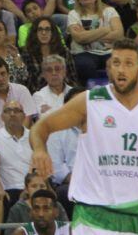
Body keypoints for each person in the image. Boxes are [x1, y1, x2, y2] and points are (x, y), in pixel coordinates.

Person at [31, 38, 138, 235]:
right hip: (94, 217)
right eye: (116, 63)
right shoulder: (90, 101)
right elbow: (41, 127)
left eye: (128, 63)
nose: (121, 69)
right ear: (109, 67)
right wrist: (40, 150)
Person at [67, 0, 124, 85]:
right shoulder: (73, 14)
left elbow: (119, 35)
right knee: (85, 65)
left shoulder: (109, 11)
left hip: (109, 51)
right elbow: (79, 39)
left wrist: (87, 34)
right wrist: (104, 30)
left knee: (119, 62)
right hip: (83, 53)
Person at [0, 100, 33, 210]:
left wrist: (28, 188)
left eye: (17, 111)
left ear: (24, 116)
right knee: (2, 199)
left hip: (32, 187)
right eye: (8, 111)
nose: (12, 114)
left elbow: (36, 165)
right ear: (1, 117)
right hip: (7, 189)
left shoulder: (34, 136)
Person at [45, 87, 85, 216]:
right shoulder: (57, 130)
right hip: (70, 182)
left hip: (98, 180)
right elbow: (56, 165)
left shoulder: (101, 129)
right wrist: (78, 181)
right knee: (64, 192)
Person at [21, 19, 76, 96]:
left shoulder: (63, 51)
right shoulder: (28, 53)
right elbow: (27, 81)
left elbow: (72, 78)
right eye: (40, 30)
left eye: (47, 29)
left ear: (53, 33)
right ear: (35, 33)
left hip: (63, 94)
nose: (44, 33)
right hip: (37, 95)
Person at [30, 53, 73, 117]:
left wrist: (50, 110)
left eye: (57, 69)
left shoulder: (74, 93)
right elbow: (45, 119)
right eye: (49, 70)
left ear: (64, 72)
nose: (54, 73)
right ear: (43, 74)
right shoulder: (38, 96)